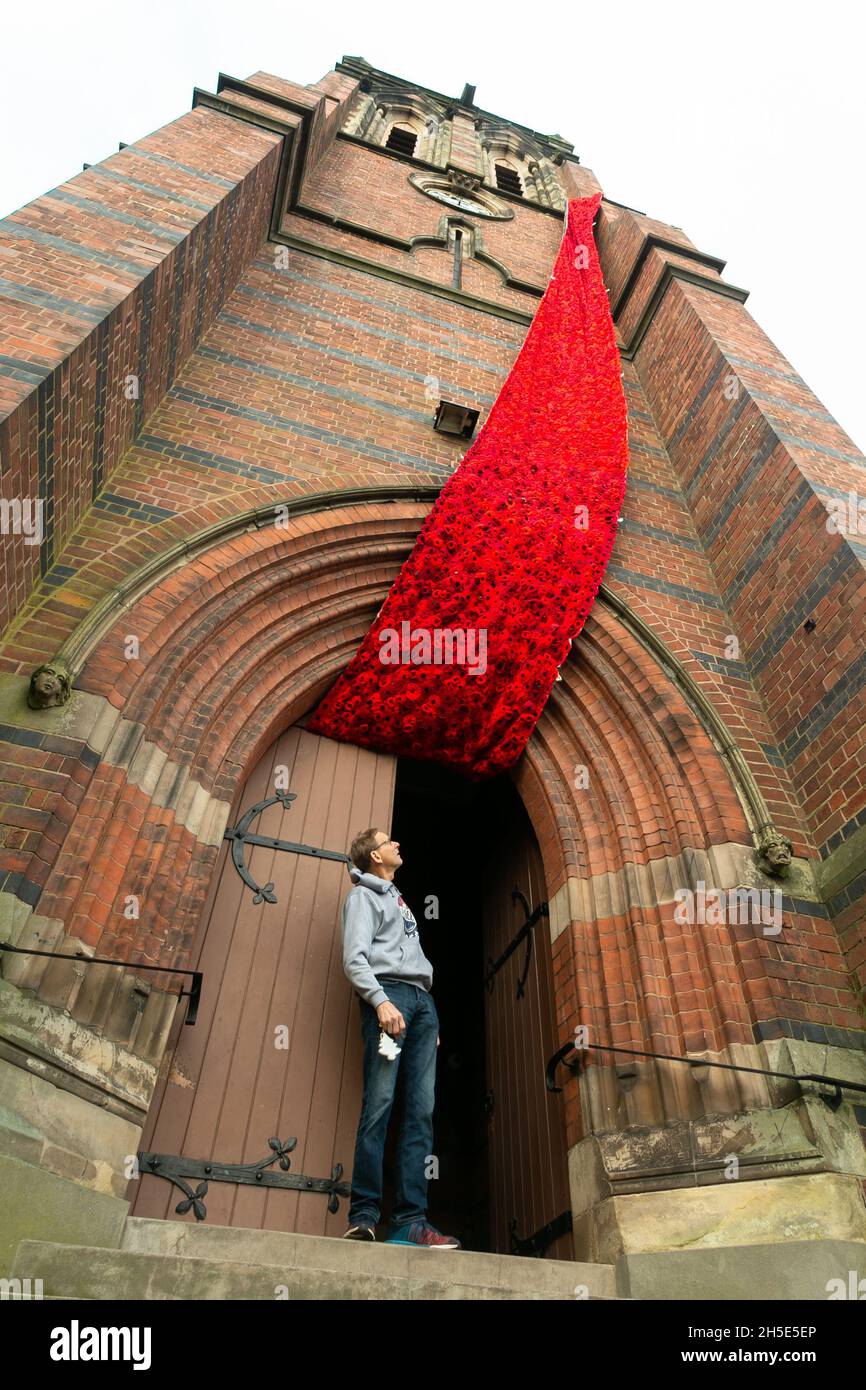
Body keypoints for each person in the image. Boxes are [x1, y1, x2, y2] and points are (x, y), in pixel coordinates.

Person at [340, 826, 461, 1249]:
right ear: (374, 856)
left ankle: (411, 1221)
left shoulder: (398, 898)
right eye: (388, 840)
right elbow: (354, 959)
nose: (396, 843)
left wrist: (429, 1023)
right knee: (380, 1103)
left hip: (421, 1006)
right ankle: (365, 1215)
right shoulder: (363, 898)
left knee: (421, 1112)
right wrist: (380, 1002)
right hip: (390, 1003)